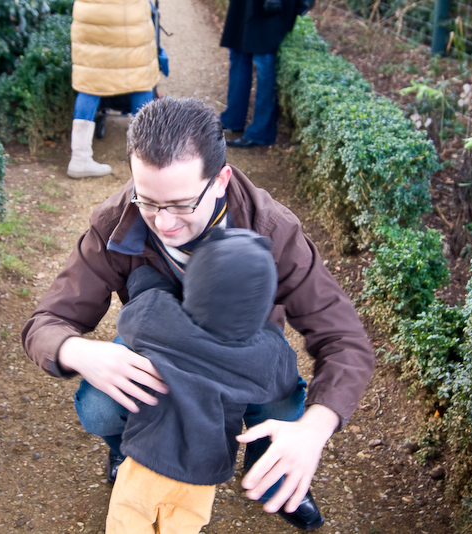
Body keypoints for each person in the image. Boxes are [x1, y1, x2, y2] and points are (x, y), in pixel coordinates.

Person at [21, 97, 375, 531]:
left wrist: (314, 429)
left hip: (246, 356)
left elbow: (345, 341)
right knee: (98, 406)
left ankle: (275, 471)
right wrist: (78, 351)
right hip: (158, 354)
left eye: (182, 205)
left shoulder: (274, 229)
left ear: (221, 179)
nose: (163, 223)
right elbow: (45, 323)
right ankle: (127, 446)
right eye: (147, 200)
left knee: (285, 406)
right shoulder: (114, 221)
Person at [106, 228, 298, 534]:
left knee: (129, 518)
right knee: (184, 524)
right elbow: (286, 380)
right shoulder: (265, 355)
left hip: (148, 458)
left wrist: (147, 278)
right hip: (204, 471)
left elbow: (140, 295)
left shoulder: (160, 320)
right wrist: (269, 334)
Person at [67, 0, 160, 178]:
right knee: (139, 77)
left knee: (89, 80)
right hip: (128, 14)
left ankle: (79, 158)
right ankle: (147, 160)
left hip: (90, 13)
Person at [220, 0, 313, 148]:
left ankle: (260, 132)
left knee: (264, 62)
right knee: (238, 54)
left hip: (272, 6)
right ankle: (232, 119)